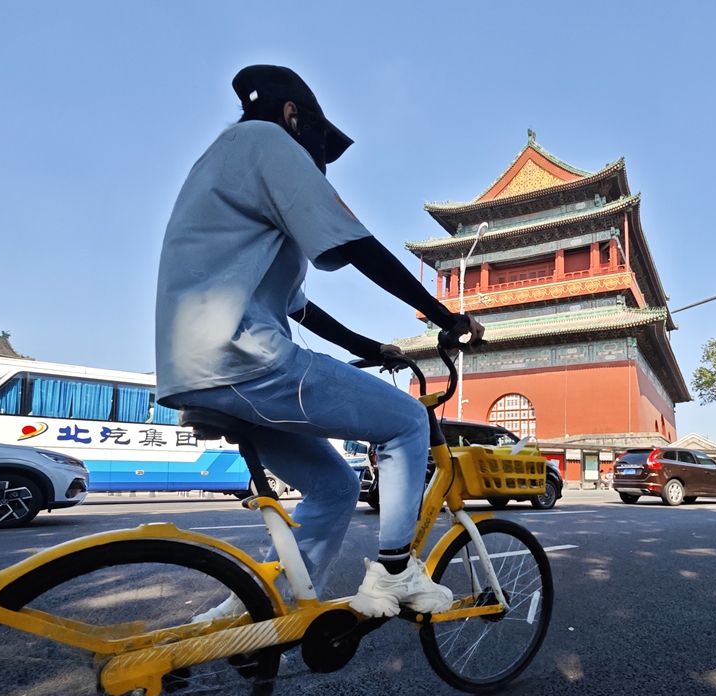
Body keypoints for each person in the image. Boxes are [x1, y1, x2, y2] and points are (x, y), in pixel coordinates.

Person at [155, 65, 484, 619]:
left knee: (334, 487)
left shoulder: (218, 164)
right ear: (292, 116)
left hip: (198, 371)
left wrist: (372, 346)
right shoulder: (267, 141)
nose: (320, 166)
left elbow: (297, 306)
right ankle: (397, 572)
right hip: (247, 359)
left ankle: (247, 616)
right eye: (319, 150)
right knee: (407, 421)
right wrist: (442, 315)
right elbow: (354, 241)